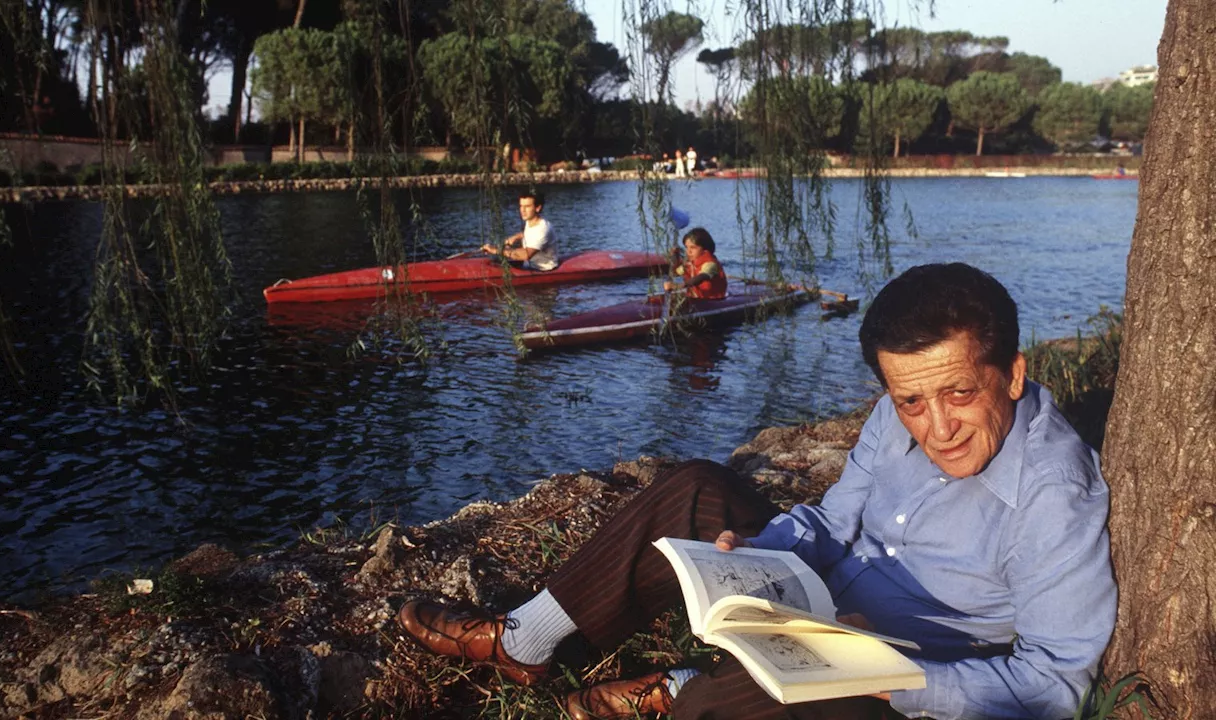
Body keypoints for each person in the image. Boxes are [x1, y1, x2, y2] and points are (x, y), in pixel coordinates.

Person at [398, 263, 1116, 720]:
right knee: (693, 489)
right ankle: (528, 640)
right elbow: (835, 520)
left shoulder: (1055, 494)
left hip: (902, 665)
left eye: (960, 393)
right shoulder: (901, 410)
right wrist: (758, 551)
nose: (937, 427)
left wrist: (899, 679)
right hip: (825, 597)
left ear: (1013, 376)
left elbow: (1052, 685)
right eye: (910, 401)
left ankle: (685, 692)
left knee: (773, 705)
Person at [480, 191, 559, 271]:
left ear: (537, 208)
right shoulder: (530, 221)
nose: (523, 210)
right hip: (528, 266)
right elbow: (531, 233)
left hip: (542, 270)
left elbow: (526, 255)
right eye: (521, 206)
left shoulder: (543, 229)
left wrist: (495, 250)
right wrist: (516, 237)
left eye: (527, 206)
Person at [663, 228, 727, 300]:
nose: (688, 251)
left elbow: (701, 277)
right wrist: (675, 257)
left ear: (705, 248)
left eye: (693, 248)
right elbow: (674, 273)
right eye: (687, 247)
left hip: (712, 300)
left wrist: (679, 286)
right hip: (695, 298)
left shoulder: (711, 264)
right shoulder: (690, 264)